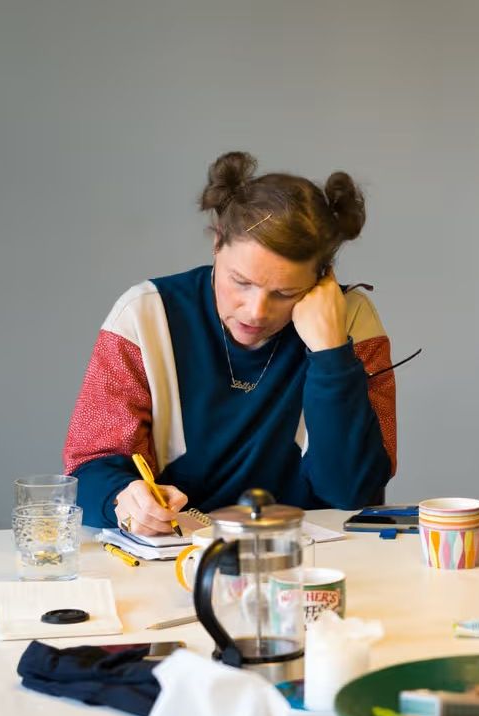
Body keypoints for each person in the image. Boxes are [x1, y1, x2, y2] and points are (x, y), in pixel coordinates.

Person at [63, 152, 397, 534]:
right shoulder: (144, 314)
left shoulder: (349, 320)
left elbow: (354, 491)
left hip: (310, 561)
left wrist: (331, 355)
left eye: (286, 292)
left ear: (321, 279)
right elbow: (88, 468)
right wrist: (122, 497)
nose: (256, 312)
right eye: (241, 282)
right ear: (217, 242)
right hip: (175, 554)